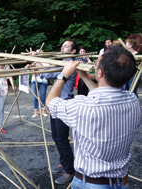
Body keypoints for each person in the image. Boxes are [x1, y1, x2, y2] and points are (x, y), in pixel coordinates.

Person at [46, 46, 141, 189]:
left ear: (100, 73)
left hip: (90, 184)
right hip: (121, 181)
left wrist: (63, 75)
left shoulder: (83, 106)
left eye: (96, 65)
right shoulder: (132, 100)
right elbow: (105, 93)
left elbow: (50, 102)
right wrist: (84, 76)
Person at [40, 39, 77, 184]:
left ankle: (70, 171)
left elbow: (47, 74)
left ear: (73, 51)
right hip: (56, 103)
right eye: (62, 45)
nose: (62, 48)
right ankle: (64, 159)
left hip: (64, 103)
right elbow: (45, 72)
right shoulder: (61, 62)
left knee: (62, 138)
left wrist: (38, 63)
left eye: (66, 46)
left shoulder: (68, 65)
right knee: (56, 136)